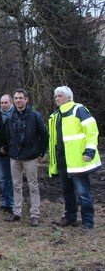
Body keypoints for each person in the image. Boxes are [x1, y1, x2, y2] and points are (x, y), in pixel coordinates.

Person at [49, 86, 101, 231]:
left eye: (59, 96)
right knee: (67, 191)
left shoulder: (79, 110)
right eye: (55, 96)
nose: (57, 98)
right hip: (62, 160)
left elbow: (92, 131)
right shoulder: (56, 115)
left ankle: (88, 222)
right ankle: (70, 217)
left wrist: (90, 150)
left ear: (68, 97)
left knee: (84, 193)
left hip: (78, 161)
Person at [5, 89, 48, 227]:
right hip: (15, 156)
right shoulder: (11, 116)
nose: (18, 100)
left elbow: (44, 135)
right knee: (16, 185)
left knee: (33, 186)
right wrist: (10, 149)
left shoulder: (35, 116)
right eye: (16, 98)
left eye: (20, 98)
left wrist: (40, 152)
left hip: (30, 156)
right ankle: (17, 212)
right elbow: (8, 135)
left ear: (26, 99)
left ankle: (34, 214)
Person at [0, 94, 14, 214]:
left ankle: (12, 203)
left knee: (12, 179)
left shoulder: (15, 116)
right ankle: (5, 202)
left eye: (6, 102)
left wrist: (7, 147)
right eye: (1, 103)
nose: (3, 105)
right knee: (2, 179)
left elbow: (15, 136)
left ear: (11, 102)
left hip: (12, 153)